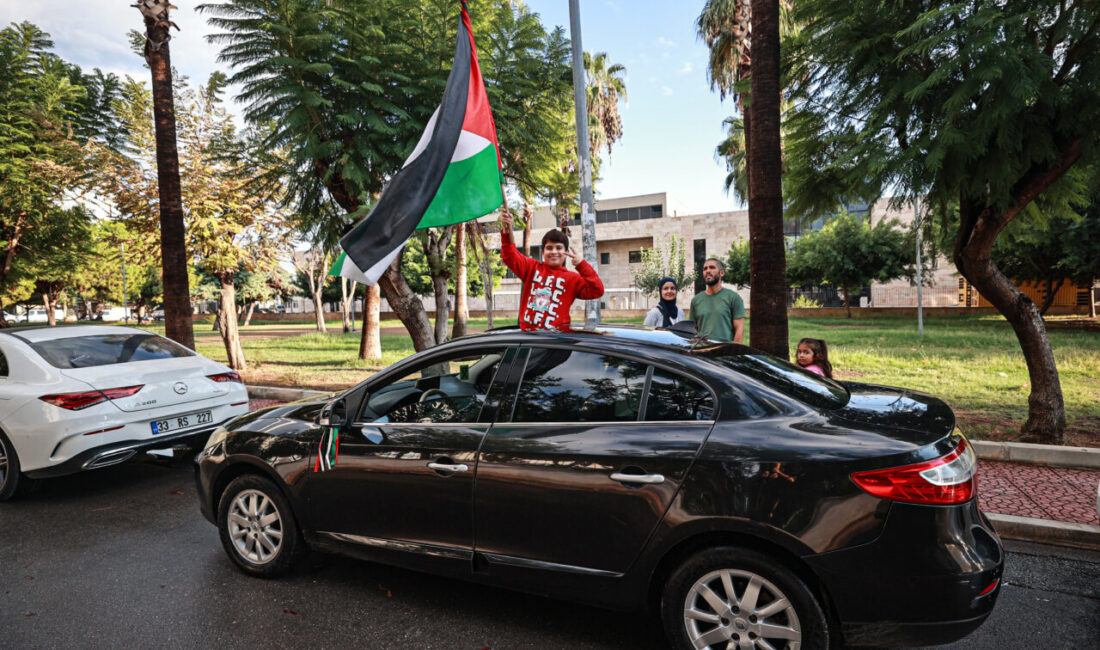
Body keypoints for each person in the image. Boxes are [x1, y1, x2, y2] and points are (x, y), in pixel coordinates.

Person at [500, 209, 604, 331]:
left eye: (559, 248)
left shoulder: (573, 278)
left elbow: (597, 290)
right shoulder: (532, 268)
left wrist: (582, 265)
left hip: (556, 342)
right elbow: (510, 256)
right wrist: (507, 232)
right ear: (542, 252)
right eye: (549, 248)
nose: (554, 252)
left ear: (566, 253)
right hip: (528, 337)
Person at [690, 257, 745, 343]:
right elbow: (693, 330)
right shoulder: (696, 300)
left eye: (712, 267)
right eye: (705, 269)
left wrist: (734, 353)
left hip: (725, 353)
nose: (708, 271)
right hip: (703, 353)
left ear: (722, 273)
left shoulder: (733, 297)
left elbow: (740, 330)